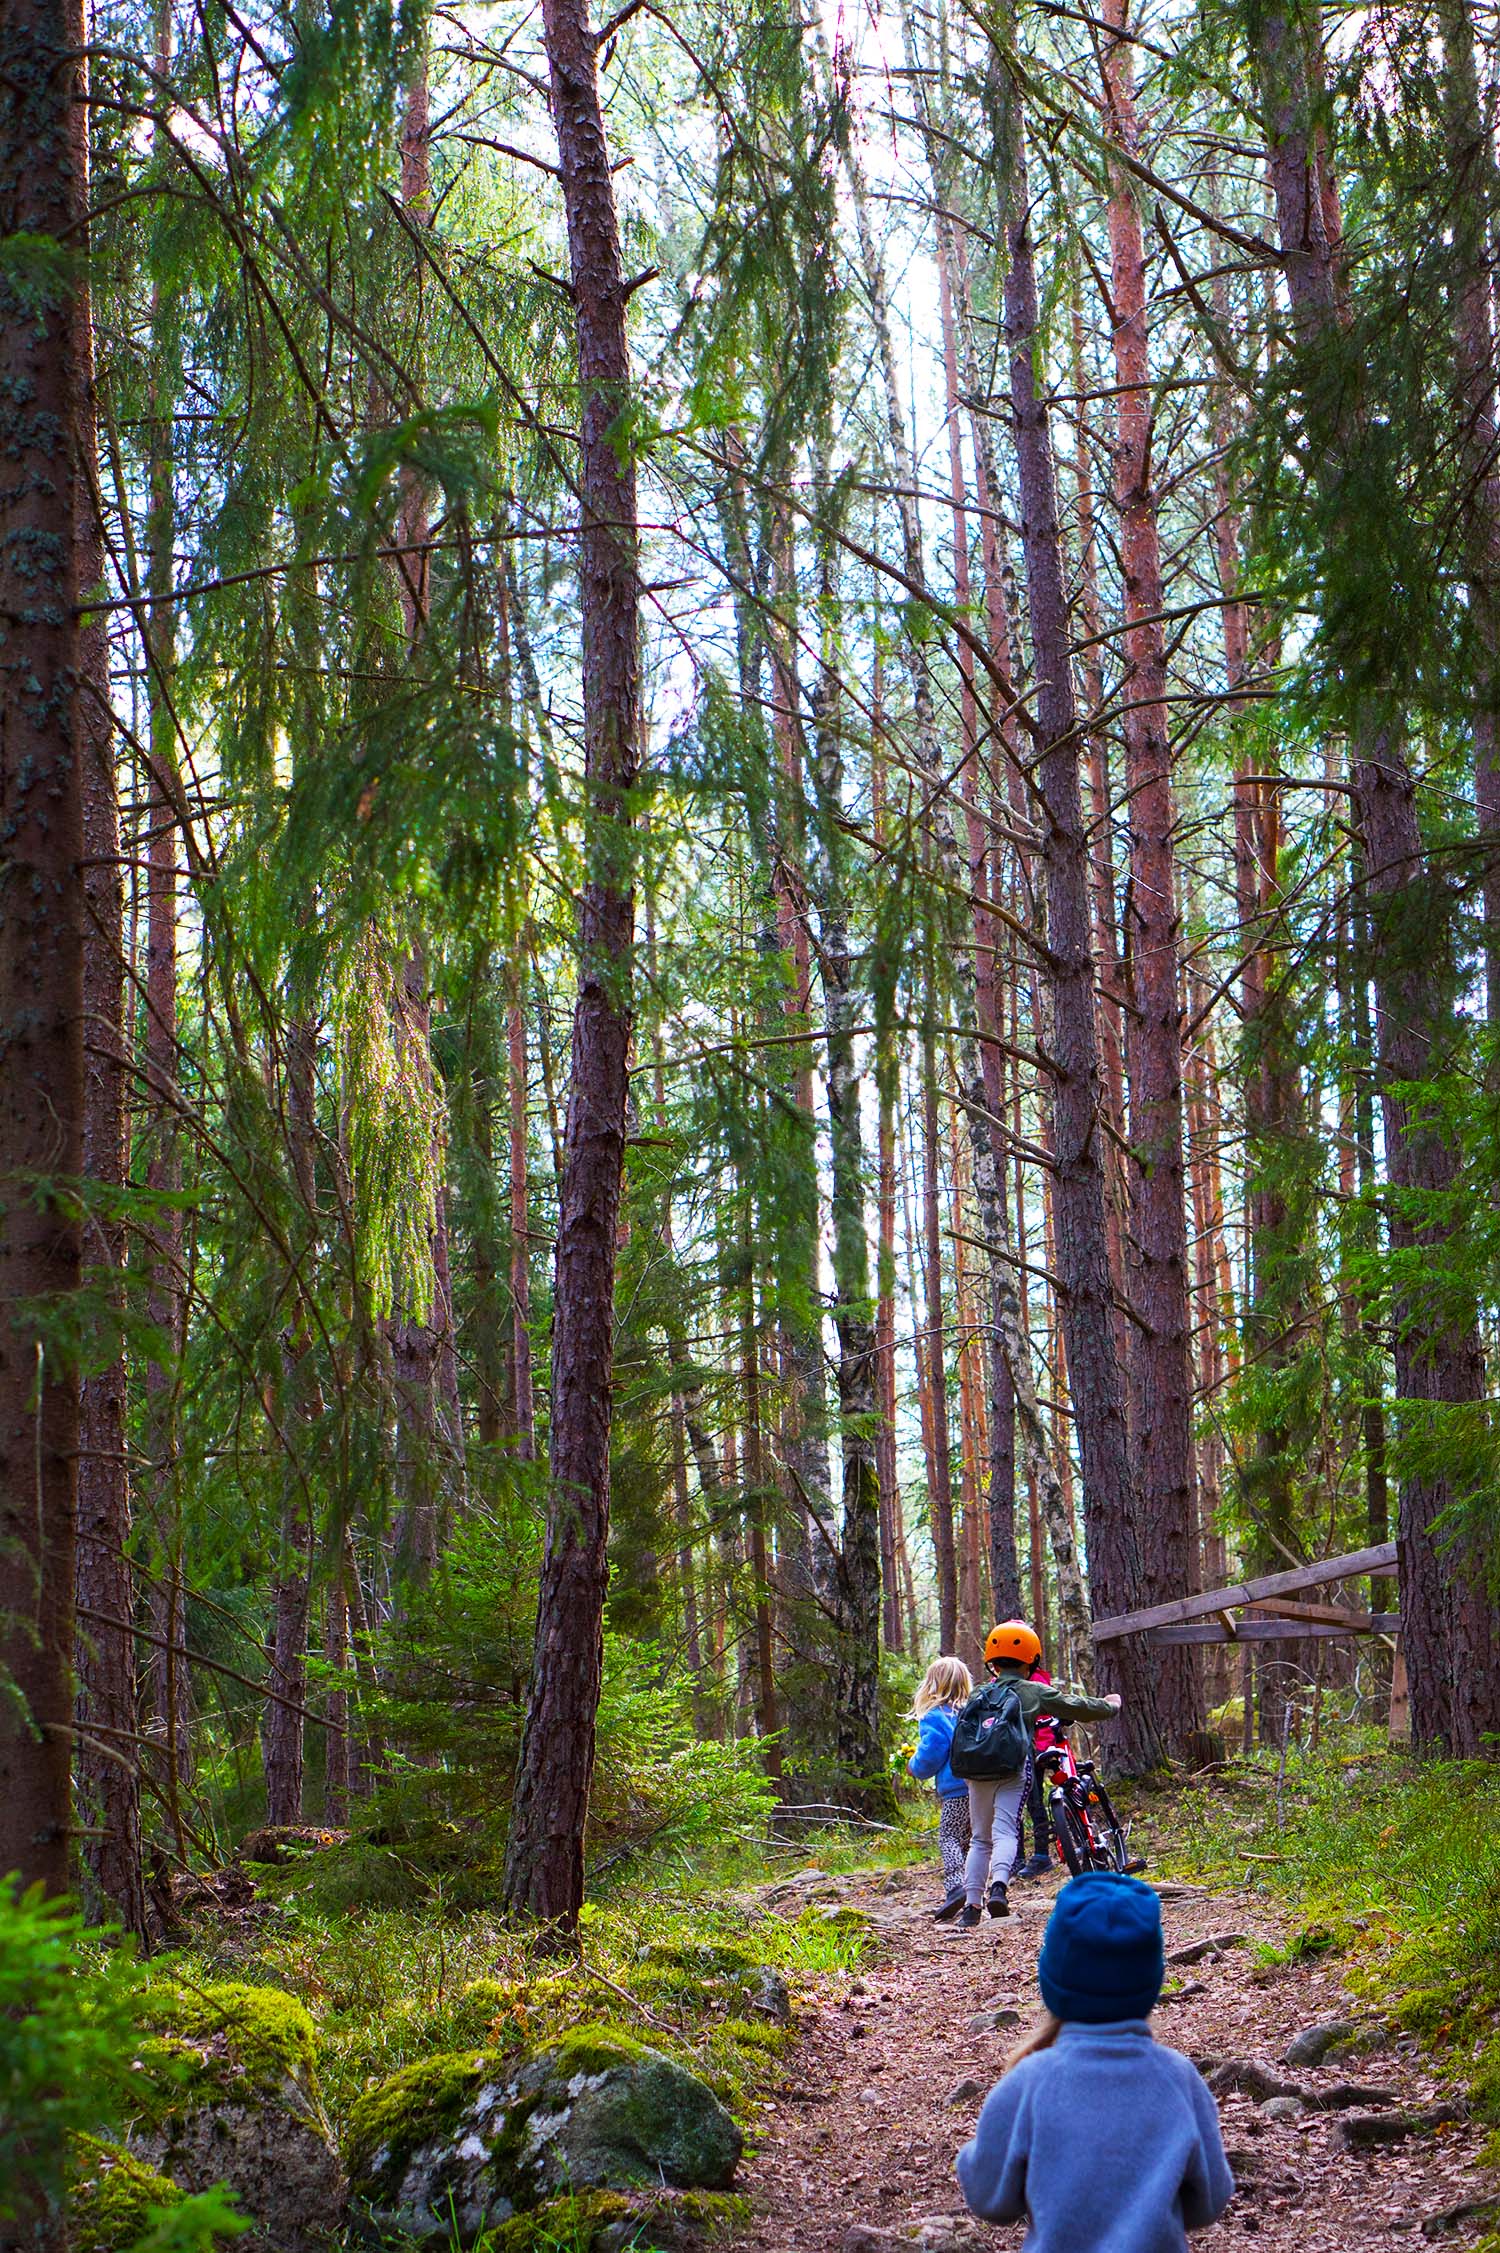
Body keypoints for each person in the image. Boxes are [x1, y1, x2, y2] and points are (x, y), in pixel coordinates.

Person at [956, 1872, 1234, 2250]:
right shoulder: (1179, 2079)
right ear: (1151, 1982)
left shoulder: (1029, 2081)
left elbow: (991, 2200)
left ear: (1053, 1979)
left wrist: (972, 2159)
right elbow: (1209, 2203)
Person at [958, 1621, 1119, 1929]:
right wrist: (1110, 1706)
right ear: (1031, 1659)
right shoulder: (1032, 1690)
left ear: (992, 1661)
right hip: (1013, 1768)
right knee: (1006, 1831)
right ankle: (999, 1888)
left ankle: (971, 1906)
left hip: (976, 1771)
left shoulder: (979, 1692)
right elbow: (1076, 1705)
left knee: (980, 1838)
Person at [906, 1656, 974, 1922]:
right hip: (979, 1786)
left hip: (956, 1789)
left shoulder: (936, 1716)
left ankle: (956, 1887)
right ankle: (974, 1891)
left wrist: (913, 1766)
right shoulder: (971, 1712)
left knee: (949, 1837)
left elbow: (931, 1753)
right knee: (971, 1841)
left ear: (932, 1684)